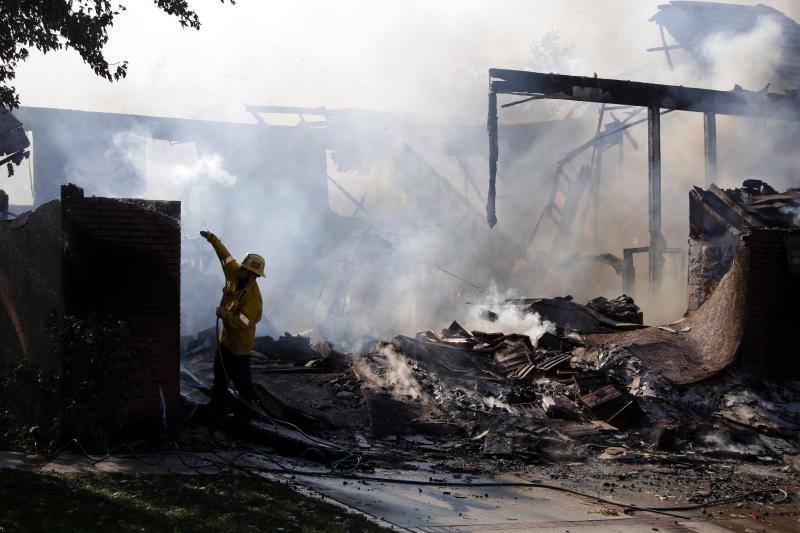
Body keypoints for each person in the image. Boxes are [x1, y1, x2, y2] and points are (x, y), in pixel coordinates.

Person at [199, 230, 264, 411]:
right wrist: (212, 239)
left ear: (252, 275)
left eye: (244, 269)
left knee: (241, 380)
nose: (240, 269)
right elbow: (225, 256)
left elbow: (243, 323)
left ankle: (246, 411)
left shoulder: (253, 299)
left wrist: (225, 315)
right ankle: (217, 404)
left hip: (239, 347)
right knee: (219, 374)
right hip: (225, 341)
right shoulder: (236, 274)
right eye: (242, 267)